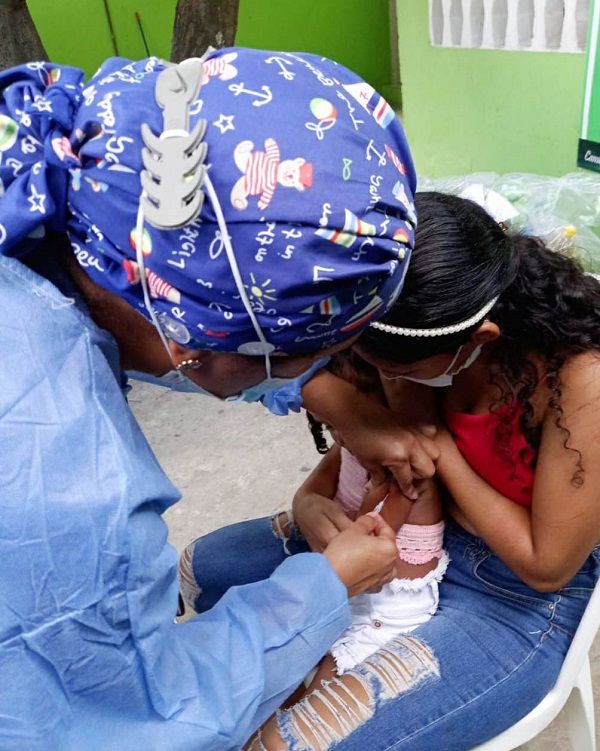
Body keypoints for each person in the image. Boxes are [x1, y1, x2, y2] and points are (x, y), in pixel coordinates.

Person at [0, 49, 441, 751]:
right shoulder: (73, 489)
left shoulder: (57, 173)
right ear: (192, 345)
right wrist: (324, 586)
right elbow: (144, 716)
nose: (315, 376)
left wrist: (337, 403)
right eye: (308, 357)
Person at [185, 191, 600, 750]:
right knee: (203, 570)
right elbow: (381, 448)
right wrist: (312, 500)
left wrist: (441, 449)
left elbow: (545, 566)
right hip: (416, 537)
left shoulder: (580, 379)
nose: (383, 377)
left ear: (478, 342)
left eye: (393, 369)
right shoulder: (411, 341)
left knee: (290, 742)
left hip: (513, 595)